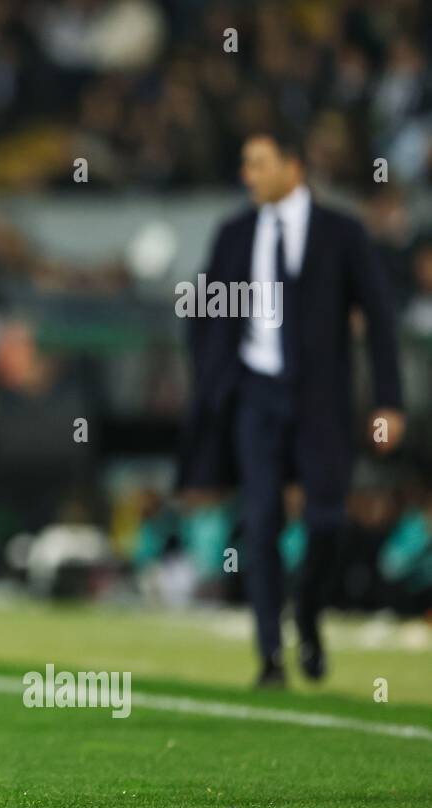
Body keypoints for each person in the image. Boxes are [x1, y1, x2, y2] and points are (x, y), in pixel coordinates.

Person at [178, 128, 404, 687]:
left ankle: (307, 613)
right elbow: (203, 311)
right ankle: (271, 654)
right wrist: (215, 384)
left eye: (258, 164)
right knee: (260, 523)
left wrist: (389, 401)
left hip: (322, 399)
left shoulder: (342, 233)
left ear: (293, 167)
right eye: (245, 164)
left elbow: (380, 320)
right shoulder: (234, 233)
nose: (247, 176)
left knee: (327, 520)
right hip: (256, 395)